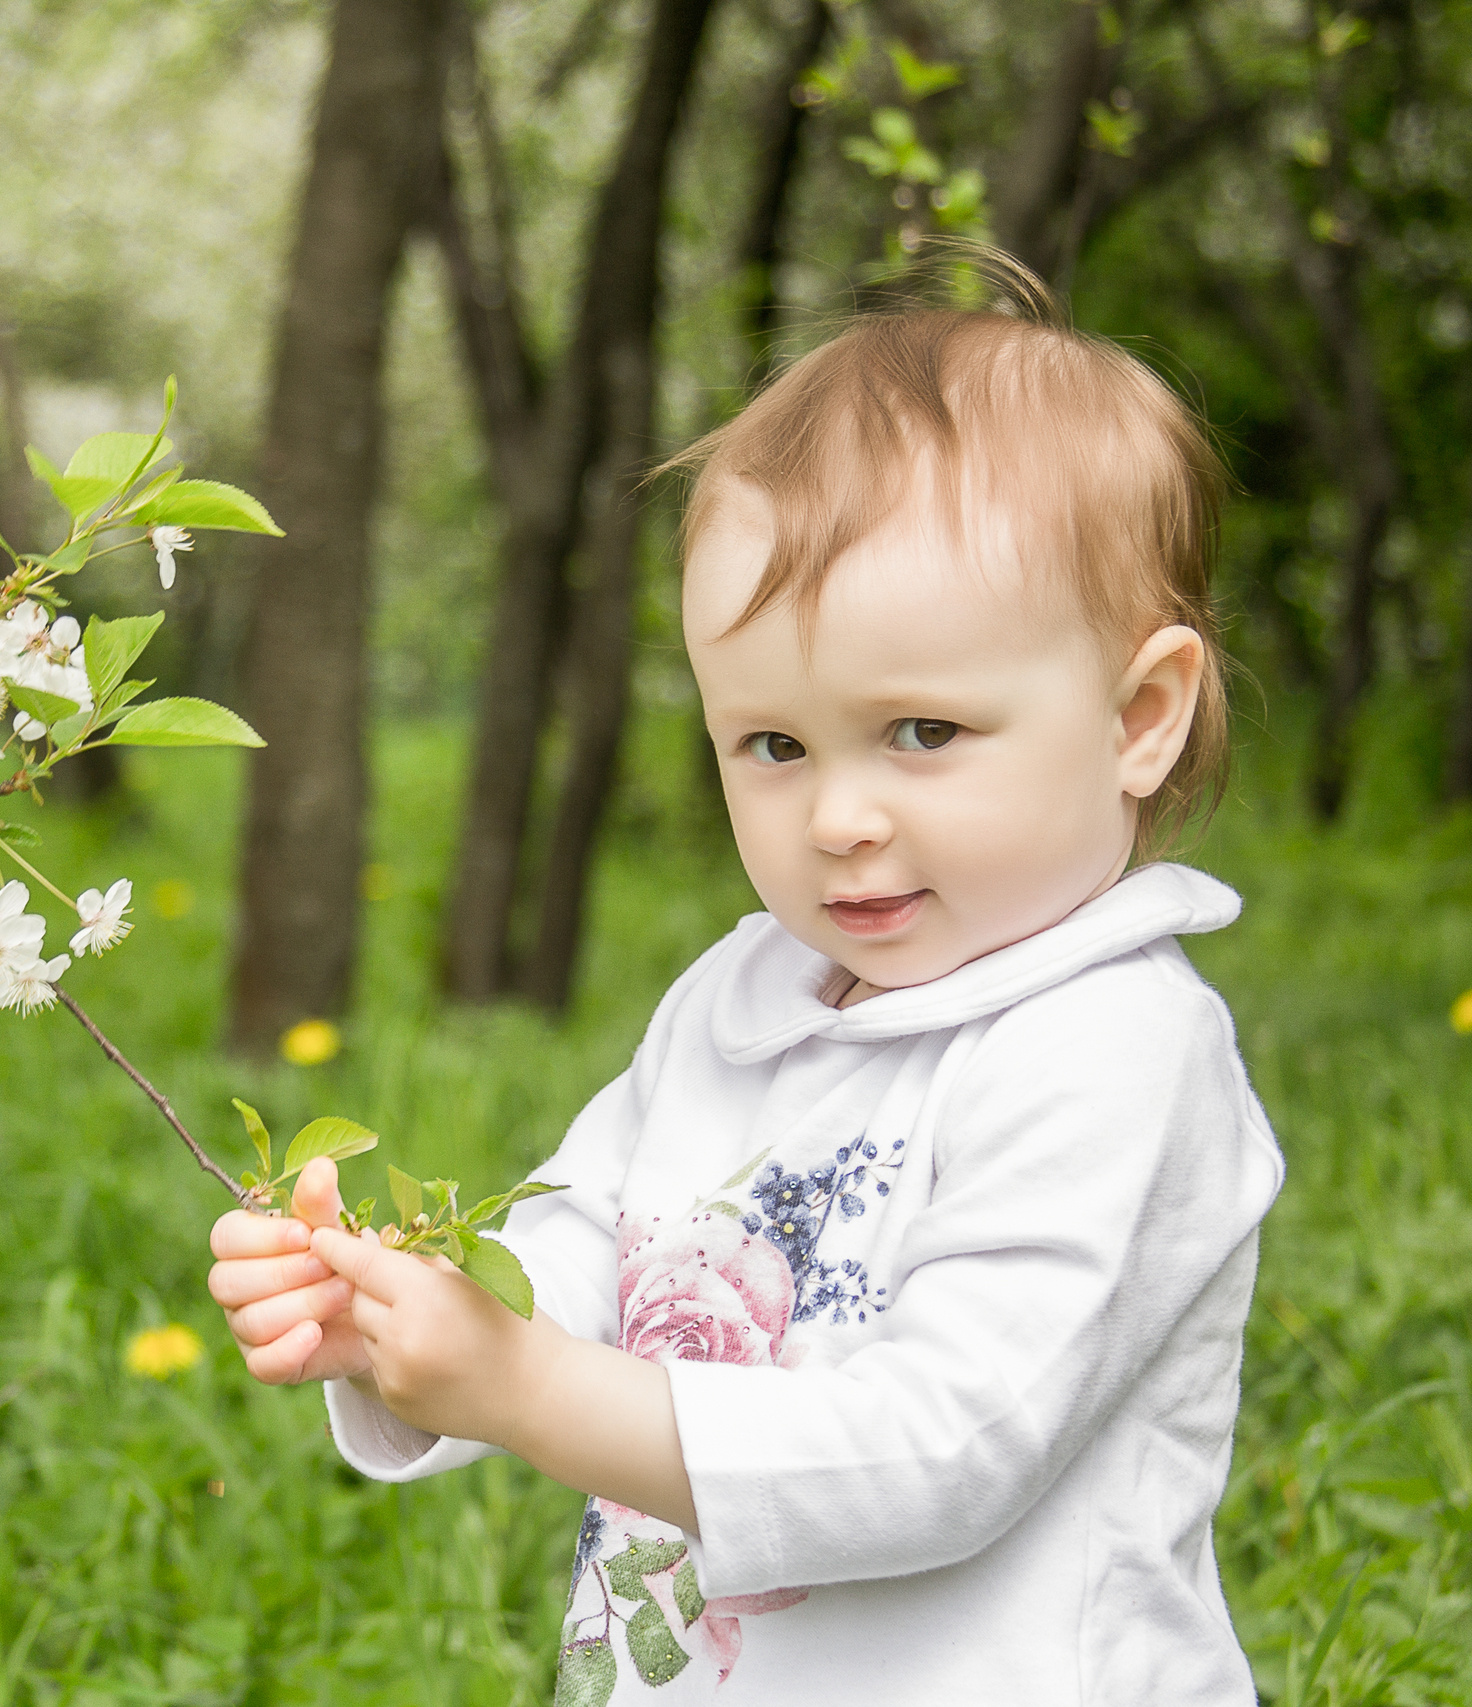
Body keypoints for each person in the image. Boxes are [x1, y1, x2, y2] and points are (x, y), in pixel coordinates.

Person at [208, 260, 1282, 1704]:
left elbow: (941, 1451)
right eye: (773, 746)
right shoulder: (746, 994)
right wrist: (408, 1314)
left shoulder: (1115, 1047)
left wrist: (526, 1387)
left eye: (920, 730)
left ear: (1140, 716)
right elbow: (590, 1239)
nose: (837, 818)